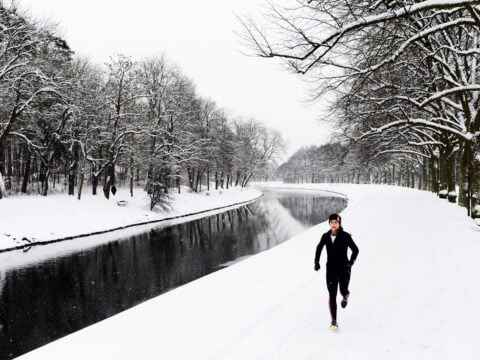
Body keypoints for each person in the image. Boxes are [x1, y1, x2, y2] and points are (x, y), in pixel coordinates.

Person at [314, 213, 359, 330]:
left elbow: (355, 250)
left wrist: (351, 262)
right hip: (331, 270)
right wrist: (316, 262)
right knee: (332, 294)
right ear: (329, 223)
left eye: (336, 222)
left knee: (342, 290)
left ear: (339, 223)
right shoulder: (325, 236)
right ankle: (334, 321)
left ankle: (346, 295)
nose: (333, 224)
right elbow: (319, 248)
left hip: (344, 269)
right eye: (332, 222)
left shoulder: (345, 236)